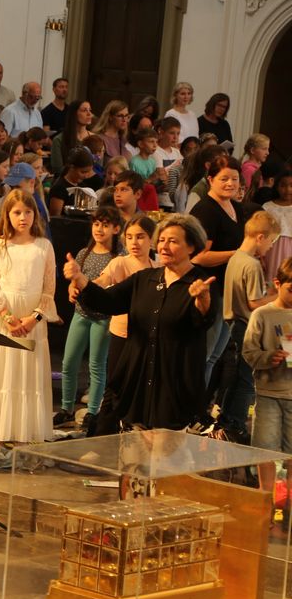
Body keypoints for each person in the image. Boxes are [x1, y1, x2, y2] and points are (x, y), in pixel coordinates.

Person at [65, 214, 217, 431]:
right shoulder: (144, 279)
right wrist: (80, 280)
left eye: (173, 241)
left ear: (191, 246)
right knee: (134, 451)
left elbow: (204, 321)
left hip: (173, 386)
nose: (164, 246)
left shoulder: (201, 283)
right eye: (162, 240)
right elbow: (108, 302)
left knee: (166, 452)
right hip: (138, 380)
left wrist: (203, 300)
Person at [0, 189, 58, 459]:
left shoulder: (43, 246)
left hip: (32, 322)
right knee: (1, 373)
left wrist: (32, 318)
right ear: (7, 215)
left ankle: (24, 433)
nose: (23, 218)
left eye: (28, 212)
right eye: (17, 212)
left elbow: (48, 289)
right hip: (3, 321)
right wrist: (9, 319)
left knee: (27, 376)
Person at [55, 206, 123, 432]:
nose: (99, 229)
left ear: (116, 229)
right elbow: (75, 282)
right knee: (69, 362)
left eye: (105, 225)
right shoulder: (84, 253)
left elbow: (114, 289)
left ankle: (93, 412)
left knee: (96, 365)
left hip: (102, 318)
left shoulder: (118, 257)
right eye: (96, 224)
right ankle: (66, 408)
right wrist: (71, 290)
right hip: (81, 313)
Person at [215, 211, 278, 438]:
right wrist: (276, 295)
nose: (270, 247)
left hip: (232, 323)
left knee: (237, 375)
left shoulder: (236, 258)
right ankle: (235, 423)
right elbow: (254, 303)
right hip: (244, 326)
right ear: (260, 237)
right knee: (245, 380)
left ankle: (227, 419)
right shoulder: (251, 264)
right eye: (271, 241)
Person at [89, 214, 158, 407]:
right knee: (116, 384)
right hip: (122, 333)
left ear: (152, 238)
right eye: (129, 237)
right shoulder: (120, 263)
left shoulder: (158, 266)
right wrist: (84, 285)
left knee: (141, 384)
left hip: (147, 335)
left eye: (140, 236)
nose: (134, 242)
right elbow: (102, 282)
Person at [191, 156, 247, 392]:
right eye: (224, 178)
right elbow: (199, 256)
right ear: (210, 179)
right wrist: (238, 254)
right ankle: (189, 409)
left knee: (214, 355)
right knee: (202, 355)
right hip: (209, 288)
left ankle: (199, 409)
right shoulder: (206, 209)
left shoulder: (235, 207)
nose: (230, 184)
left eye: (234, 179)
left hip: (227, 289)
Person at [242, 258, 292, 483]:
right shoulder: (262, 315)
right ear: (277, 284)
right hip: (268, 394)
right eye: (291, 290)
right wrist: (268, 358)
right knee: (265, 452)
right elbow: (248, 352)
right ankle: (265, 501)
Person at [50, 99, 94, 176]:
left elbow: (99, 167)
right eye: (84, 110)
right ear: (74, 114)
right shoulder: (59, 139)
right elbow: (57, 169)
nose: (89, 114)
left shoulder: (95, 138)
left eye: (90, 110)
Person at [48, 148, 97, 216]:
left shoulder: (82, 185)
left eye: (88, 172)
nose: (86, 176)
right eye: (83, 172)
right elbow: (55, 217)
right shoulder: (59, 188)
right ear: (72, 167)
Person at [263, 170, 292, 280]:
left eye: (291, 186)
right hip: (272, 249)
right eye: (283, 185)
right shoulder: (268, 207)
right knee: (274, 278)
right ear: (276, 186)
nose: (288, 190)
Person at [163, 82, 199, 147]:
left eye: (189, 93)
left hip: (193, 150)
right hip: (177, 150)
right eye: (183, 94)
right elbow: (169, 137)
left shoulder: (192, 114)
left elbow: (196, 135)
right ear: (176, 95)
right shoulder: (171, 114)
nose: (186, 96)